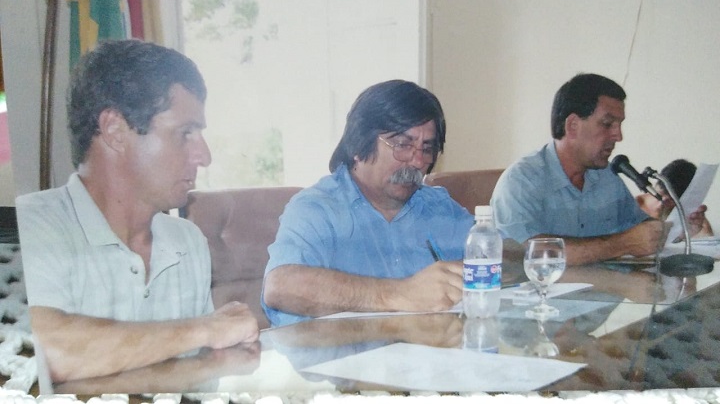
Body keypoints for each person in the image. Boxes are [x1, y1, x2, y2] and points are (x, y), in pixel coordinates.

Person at [16, 39, 259, 384]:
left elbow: (202, 379)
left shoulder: (187, 241)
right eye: (185, 133)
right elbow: (43, 351)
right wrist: (204, 329)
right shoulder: (29, 228)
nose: (204, 156)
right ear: (115, 130)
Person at [262, 80, 474, 327]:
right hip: (337, 351)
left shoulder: (438, 206)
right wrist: (400, 294)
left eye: (427, 148)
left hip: (428, 349)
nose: (418, 161)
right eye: (402, 145)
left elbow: (503, 255)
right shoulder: (317, 208)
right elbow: (280, 287)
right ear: (359, 143)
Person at [491, 73, 674, 266]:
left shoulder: (607, 177)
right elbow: (526, 254)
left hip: (611, 284)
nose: (618, 136)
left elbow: (636, 228)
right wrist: (621, 244)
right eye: (607, 124)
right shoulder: (521, 181)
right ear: (572, 126)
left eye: (620, 125)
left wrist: (669, 226)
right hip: (549, 286)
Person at [636, 159, 713, 238]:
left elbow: (707, 239)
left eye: (671, 201)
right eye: (659, 196)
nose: (661, 204)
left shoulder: (689, 215)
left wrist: (687, 234)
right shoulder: (633, 208)